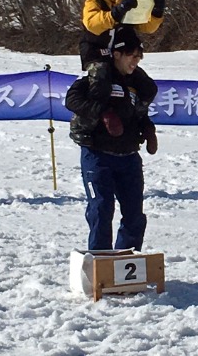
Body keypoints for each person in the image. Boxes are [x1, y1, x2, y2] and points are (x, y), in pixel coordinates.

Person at [66, 26, 159, 251]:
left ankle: (128, 259)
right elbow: (72, 100)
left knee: (135, 214)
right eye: (131, 56)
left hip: (128, 156)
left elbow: (139, 112)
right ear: (117, 54)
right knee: (101, 209)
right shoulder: (98, 76)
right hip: (98, 154)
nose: (135, 61)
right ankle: (101, 263)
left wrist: (148, 128)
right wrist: (103, 112)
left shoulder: (137, 82)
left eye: (138, 57)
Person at [80, 0, 165, 86]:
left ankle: (134, 107)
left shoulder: (130, 0)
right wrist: (116, 13)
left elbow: (147, 27)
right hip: (97, 55)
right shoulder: (94, 1)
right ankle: (98, 106)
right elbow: (92, 24)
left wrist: (156, 13)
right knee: (102, 81)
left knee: (147, 87)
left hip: (121, 57)